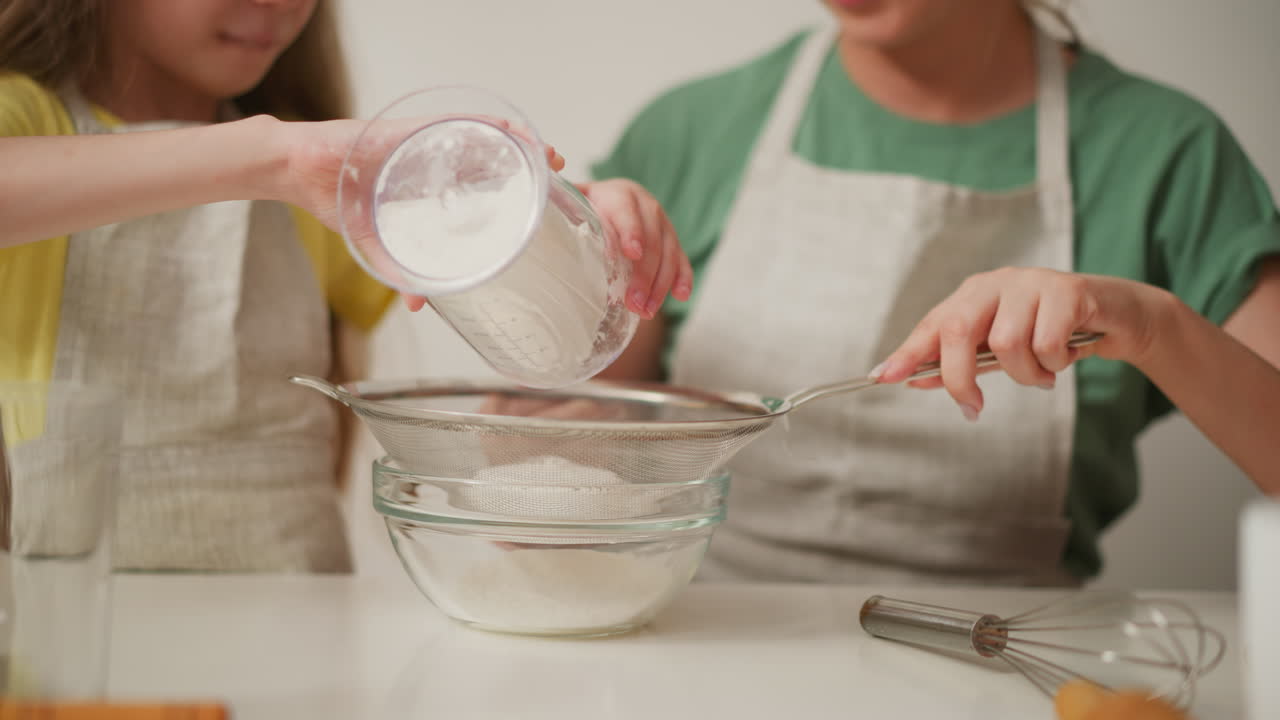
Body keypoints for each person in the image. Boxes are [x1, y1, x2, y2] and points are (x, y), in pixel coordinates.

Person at [593, 0, 1280, 585]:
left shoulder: (1167, 154)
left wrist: (1154, 325)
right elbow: (576, 441)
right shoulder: (692, 129)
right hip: (700, 649)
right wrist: (540, 251)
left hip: (1005, 664)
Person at [0, 0, 690, 572]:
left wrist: (584, 230)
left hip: (299, 616)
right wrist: (272, 155)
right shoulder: (27, 122)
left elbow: (492, 287)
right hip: (82, 632)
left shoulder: (317, 180)